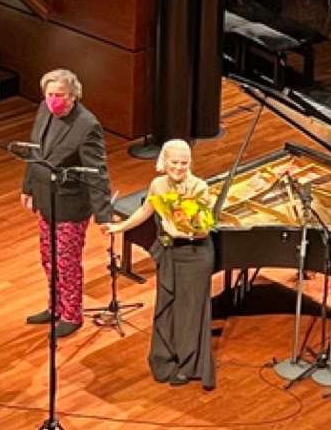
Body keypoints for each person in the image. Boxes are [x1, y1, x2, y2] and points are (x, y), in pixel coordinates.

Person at [105, 139, 215, 389]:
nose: (178, 168)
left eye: (184, 163)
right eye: (174, 162)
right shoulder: (158, 184)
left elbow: (203, 231)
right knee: (167, 308)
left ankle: (189, 366)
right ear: (163, 162)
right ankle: (165, 358)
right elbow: (145, 211)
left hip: (194, 256)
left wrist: (176, 233)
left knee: (189, 314)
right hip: (169, 255)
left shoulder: (199, 187)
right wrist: (118, 227)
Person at [19, 69, 113, 338]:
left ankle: (72, 314)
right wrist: (28, 187)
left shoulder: (87, 126)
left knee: (66, 262)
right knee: (48, 259)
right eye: (49, 95)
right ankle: (55, 307)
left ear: (73, 96)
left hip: (70, 204)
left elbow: (98, 172)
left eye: (59, 95)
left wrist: (104, 215)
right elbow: (34, 151)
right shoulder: (44, 110)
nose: (52, 100)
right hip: (46, 198)